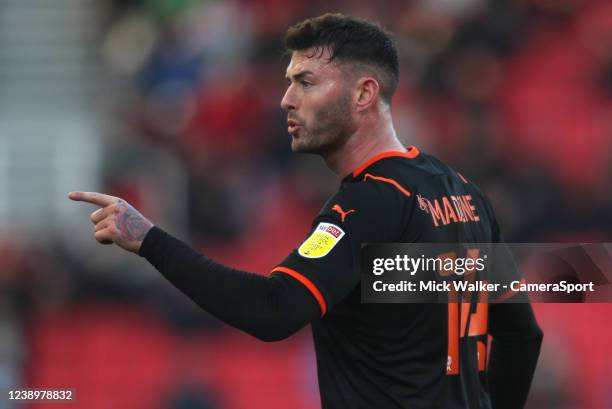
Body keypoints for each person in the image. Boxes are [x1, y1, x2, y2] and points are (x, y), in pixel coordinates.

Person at [69, 13, 543, 409]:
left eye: (306, 82)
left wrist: (149, 241)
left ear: (363, 94)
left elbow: (274, 312)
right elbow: (521, 336)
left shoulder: (368, 201)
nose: (286, 99)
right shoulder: (463, 193)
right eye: (288, 82)